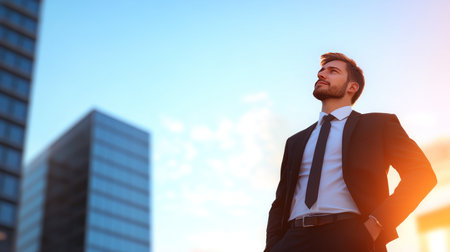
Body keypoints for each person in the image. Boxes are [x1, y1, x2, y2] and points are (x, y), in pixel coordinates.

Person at [264, 52, 437, 252]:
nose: (321, 74)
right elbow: (280, 203)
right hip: (294, 240)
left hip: (350, 237)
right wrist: (273, 247)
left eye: (332, 71)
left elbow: (421, 174)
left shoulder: (378, 125)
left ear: (351, 87)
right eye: (321, 71)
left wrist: (376, 224)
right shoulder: (295, 141)